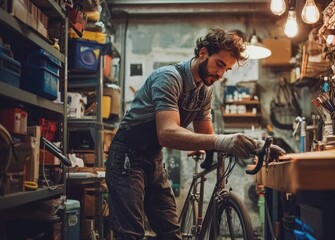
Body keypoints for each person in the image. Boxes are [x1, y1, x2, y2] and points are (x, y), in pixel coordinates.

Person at [105, 28, 286, 239]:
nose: (220, 74)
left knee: (171, 232)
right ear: (202, 53)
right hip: (126, 156)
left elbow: (209, 138)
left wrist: (256, 145)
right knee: (131, 234)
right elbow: (167, 133)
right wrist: (222, 141)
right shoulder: (169, 78)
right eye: (219, 64)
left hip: (153, 158)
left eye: (226, 70)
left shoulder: (204, 93)